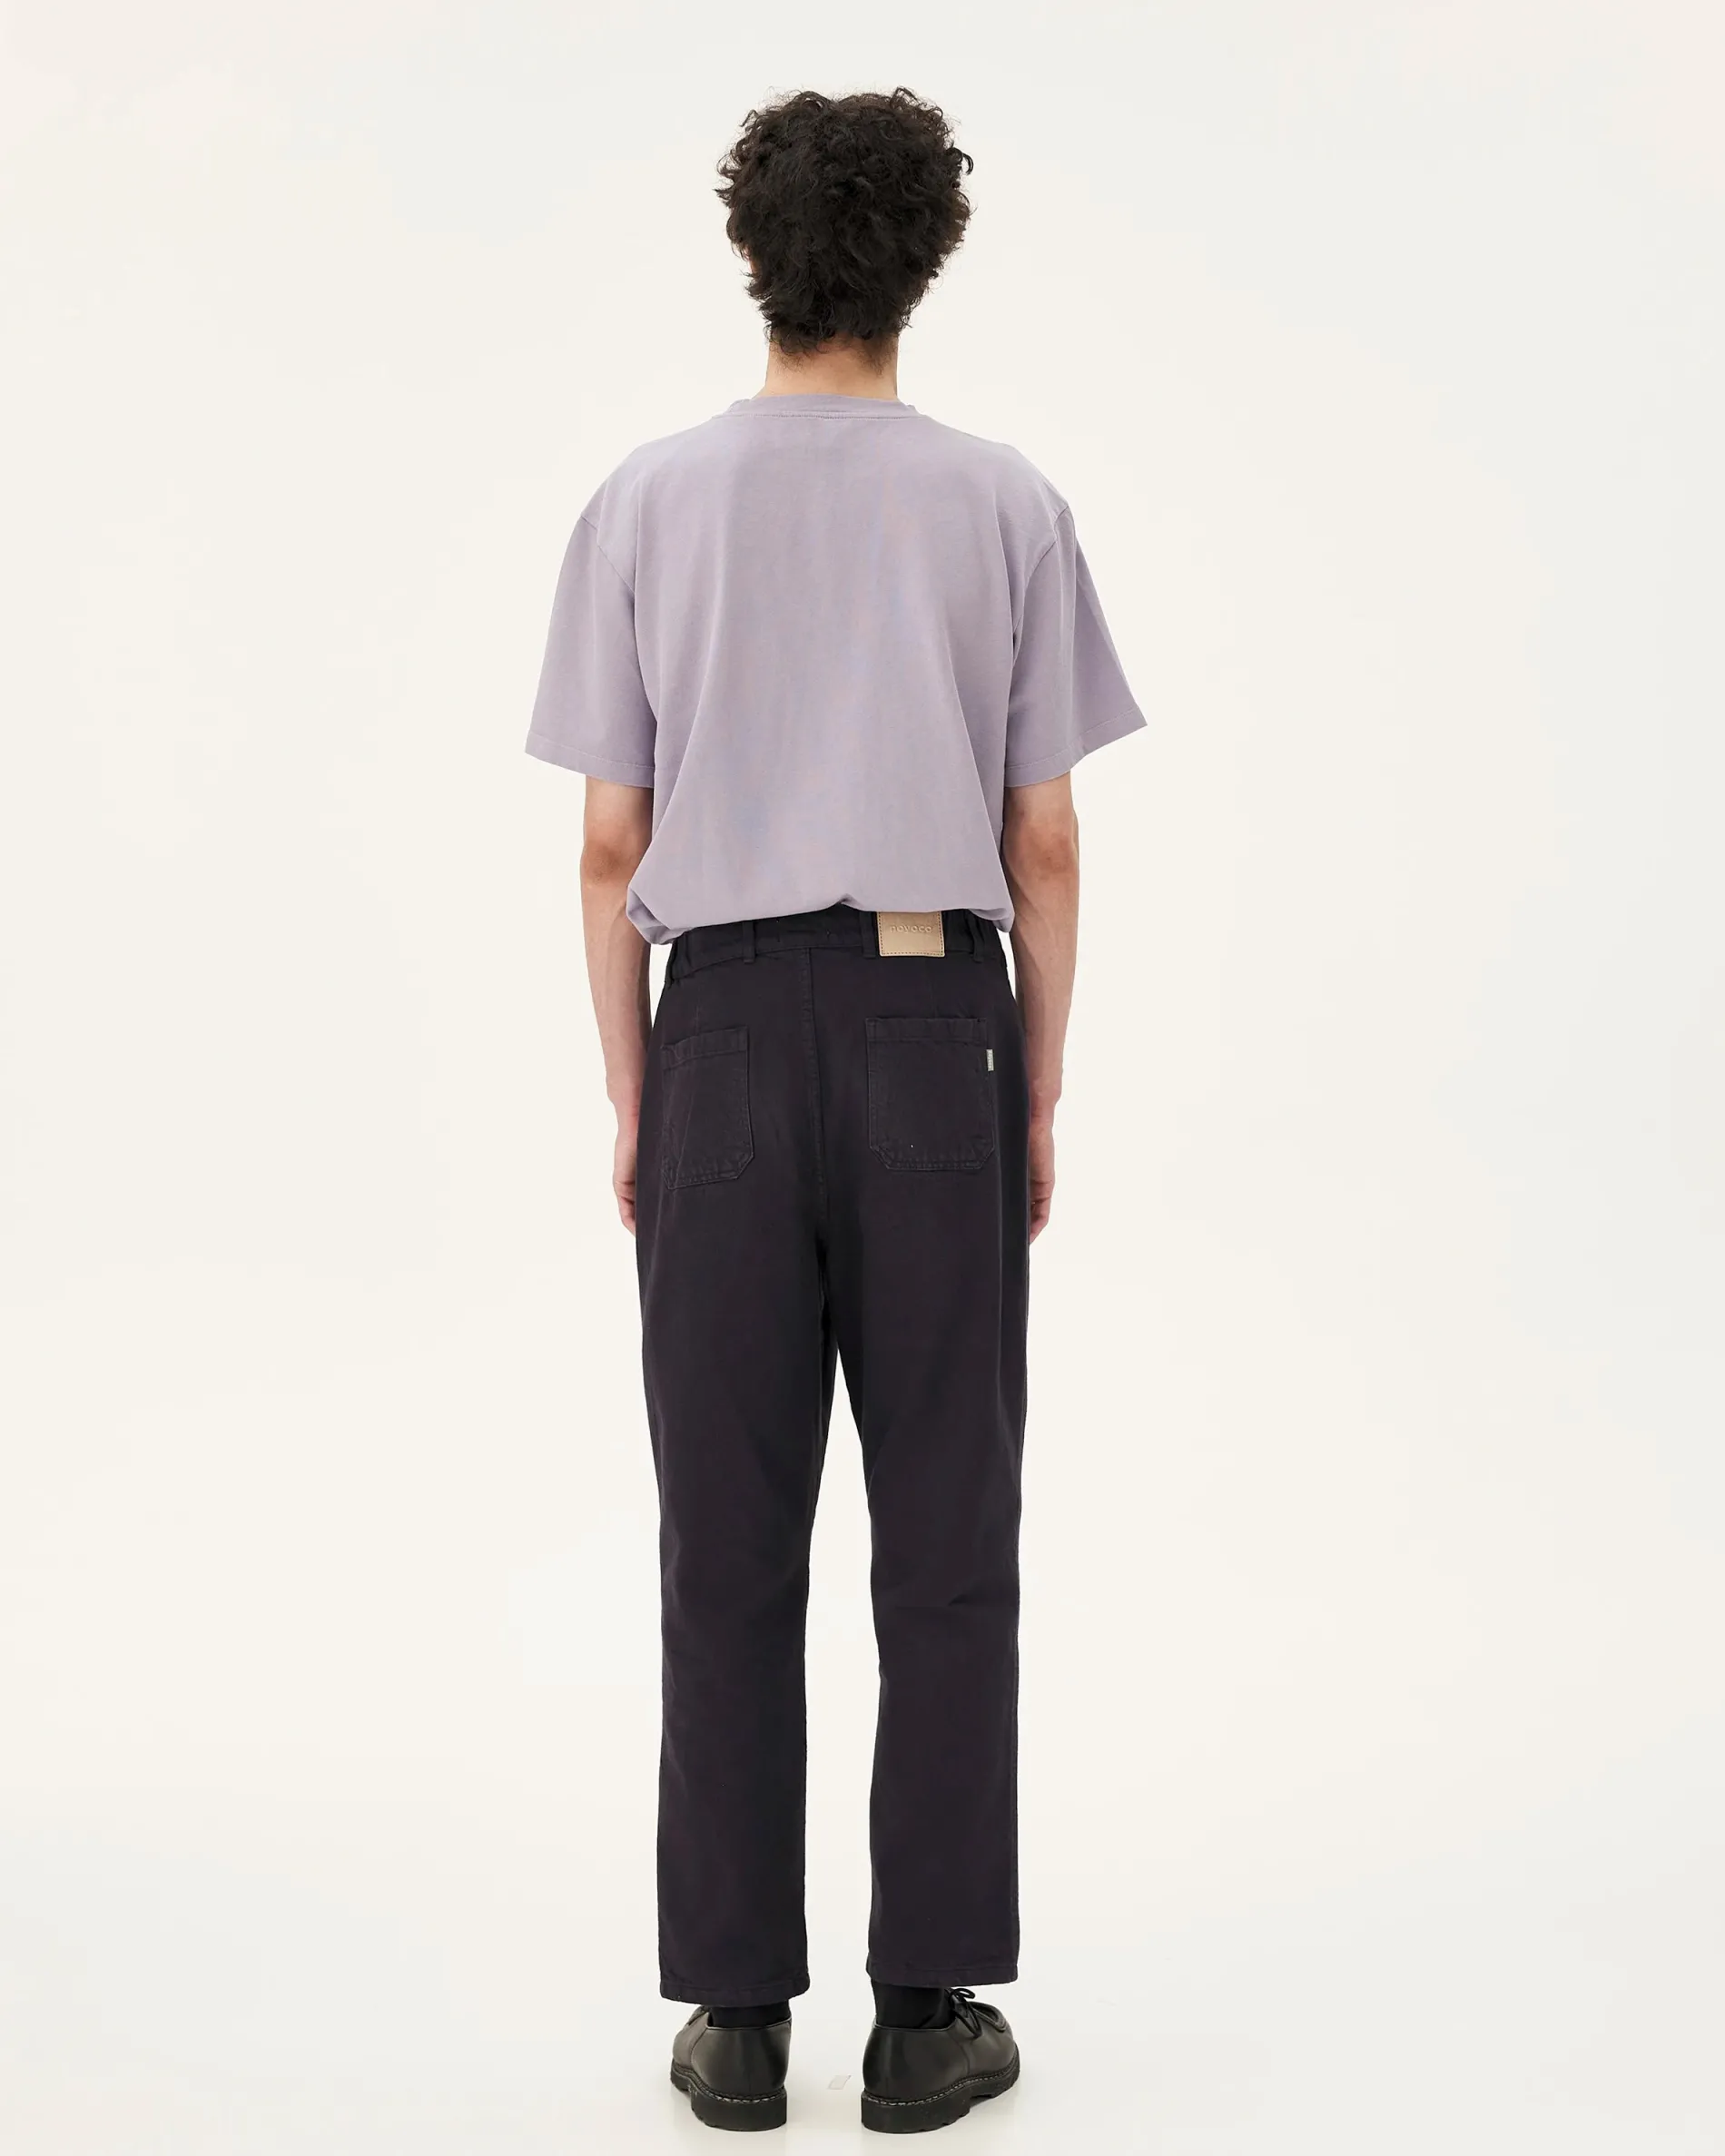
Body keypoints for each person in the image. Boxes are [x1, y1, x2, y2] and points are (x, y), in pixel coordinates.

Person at [525, 85, 1146, 2134]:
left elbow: (607, 844)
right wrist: (1034, 1083)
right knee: (947, 1536)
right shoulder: (1000, 502)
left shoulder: (642, 502)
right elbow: (1042, 843)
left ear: (753, 255)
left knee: (725, 1538)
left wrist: (636, 1087)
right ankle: (925, 2012)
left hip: (713, 1024)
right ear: (922, 263)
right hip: (931, 1023)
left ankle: (732, 2020)